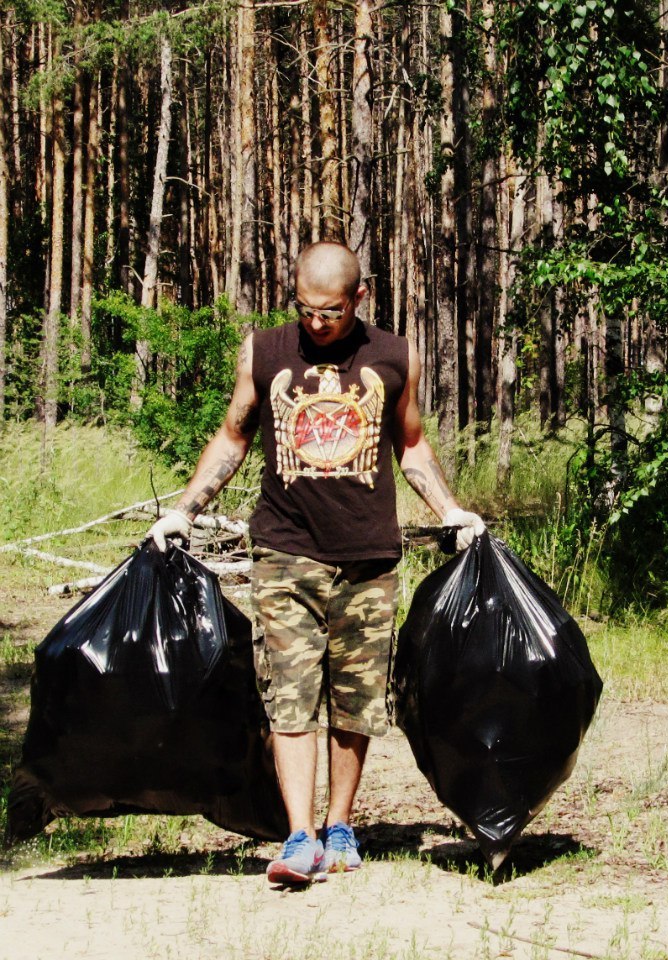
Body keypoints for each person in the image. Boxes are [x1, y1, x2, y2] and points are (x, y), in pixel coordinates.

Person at [148, 242, 485, 885]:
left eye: (330, 312)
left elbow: (411, 446)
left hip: (370, 557)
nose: (316, 323)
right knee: (290, 697)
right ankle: (299, 836)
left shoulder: (394, 355)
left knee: (355, 703)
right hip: (283, 550)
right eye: (305, 309)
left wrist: (451, 509)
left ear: (359, 299)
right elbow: (233, 435)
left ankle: (340, 826)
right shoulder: (265, 350)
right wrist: (186, 510)